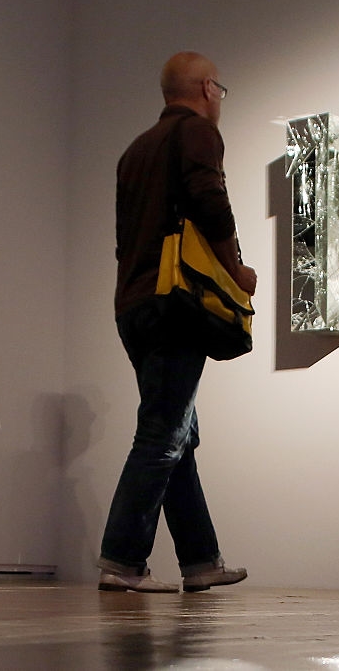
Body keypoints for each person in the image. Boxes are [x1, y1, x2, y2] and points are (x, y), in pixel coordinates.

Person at [97, 52, 257, 593]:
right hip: (176, 303)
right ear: (208, 88)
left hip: (134, 303)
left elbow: (125, 237)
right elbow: (212, 202)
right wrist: (235, 270)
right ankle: (123, 560)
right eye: (220, 90)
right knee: (163, 433)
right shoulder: (197, 133)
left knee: (178, 433)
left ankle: (200, 560)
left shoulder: (134, 151)